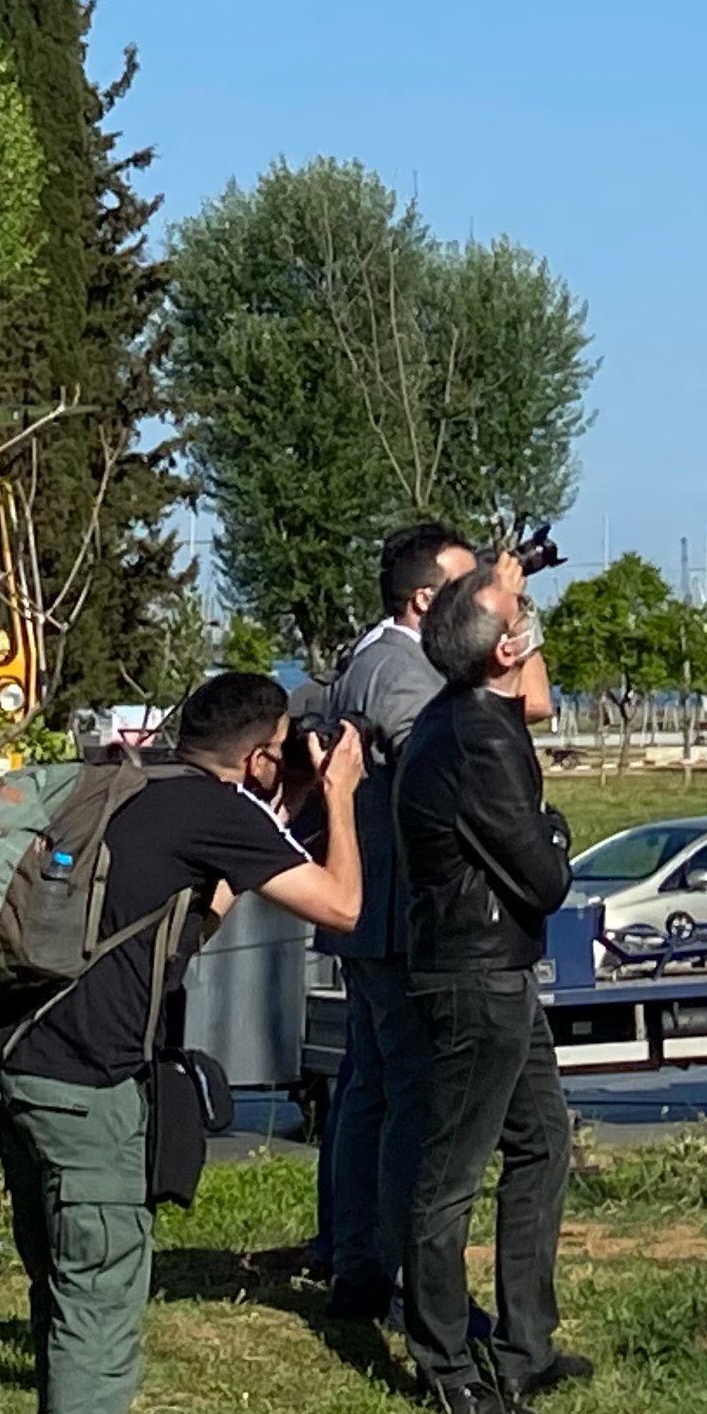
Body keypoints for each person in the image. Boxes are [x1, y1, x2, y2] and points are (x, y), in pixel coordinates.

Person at [0, 674, 362, 1414]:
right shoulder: (214, 812)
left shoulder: (123, 786)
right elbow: (342, 903)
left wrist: (285, 801)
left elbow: (184, 928)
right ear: (262, 753)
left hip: (21, 1070)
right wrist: (337, 794)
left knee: (63, 1295)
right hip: (91, 1092)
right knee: (99, 1316)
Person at [393, 564, 589, 1414]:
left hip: (493, 967)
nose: (534, 617)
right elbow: (544, 879)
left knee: (543, 1138)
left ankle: (525, 1347)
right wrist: (554, 833)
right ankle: (445, 1363)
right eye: (523, 611)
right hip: (474, 975)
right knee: (451, 1175)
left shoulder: (476, 717)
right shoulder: (473, 737)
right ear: (507, 646)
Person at [301, 521, 475, 1322]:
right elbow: (432, 768)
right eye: (466, 588)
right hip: (397, 915)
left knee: (368, 1084)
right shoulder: (400, 670)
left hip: (369, 915)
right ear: (424, 598)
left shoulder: (371, 658)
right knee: (409, 1090)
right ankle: (399, 1267)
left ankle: (353, 1255)